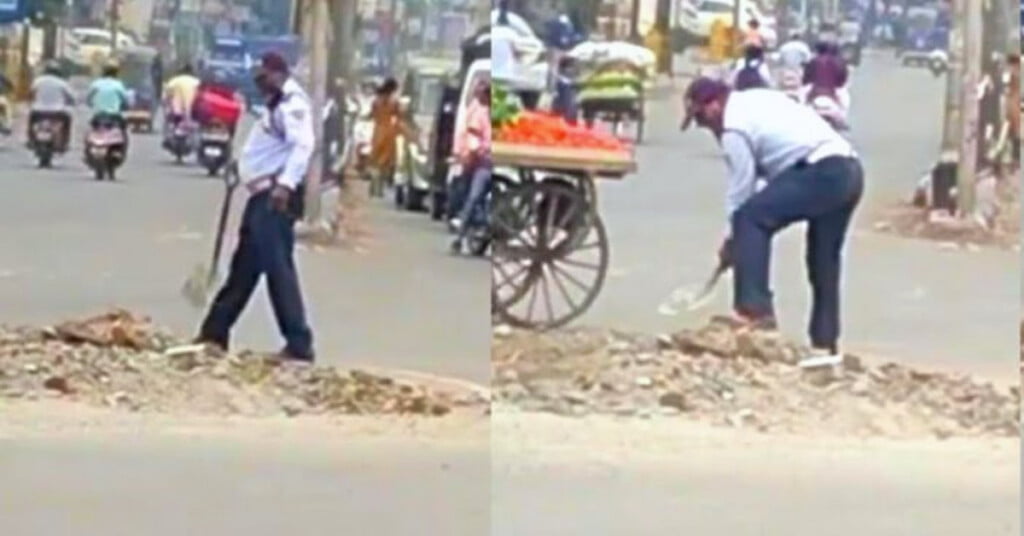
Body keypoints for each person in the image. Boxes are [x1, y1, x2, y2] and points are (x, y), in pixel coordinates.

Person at [680, 77, 863, 368]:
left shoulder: (733, 126)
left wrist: (733, 239)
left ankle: (754, 311)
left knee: (750, 219)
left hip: (822, 170)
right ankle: (825, 346)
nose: (705, 126)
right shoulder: (755, 100)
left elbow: (742, 189)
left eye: (701, 117)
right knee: (823, 261)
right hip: (848, 171)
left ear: (714, 105)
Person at [195, 52, 316, 362]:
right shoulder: (274, 106)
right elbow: (267, 148)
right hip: (260, 194)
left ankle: (299, 343)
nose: (259, 83)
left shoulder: (293, 105)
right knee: (243, 270)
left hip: (275, 198)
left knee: (279, 271)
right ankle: (214, 333)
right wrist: (242, 166)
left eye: (263, 77)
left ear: (278, 74)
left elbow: (303, 146)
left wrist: (285, 185)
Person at [450, 79, 491, 254]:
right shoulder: (480, 114)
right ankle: (459, 237)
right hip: (483, 163)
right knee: (473, 197)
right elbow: (472, 139)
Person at [28, 61, 75, 151]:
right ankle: (65, 141)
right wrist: (71, 102)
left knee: (31, 121)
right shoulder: (62, 83)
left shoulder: (38, 81)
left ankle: (30, 139)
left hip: (38, 111)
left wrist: (31, 101)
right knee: (67, 121)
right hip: (57, 112)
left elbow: (30, 94)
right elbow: (71, 97)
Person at [368, 77, 401, 197]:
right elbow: (399, 115)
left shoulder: (376, 101)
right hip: (389, 132)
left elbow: (371, 115)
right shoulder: (394, 102)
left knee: (375, 161)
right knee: (384, 163)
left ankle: (373, 187)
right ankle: (379, 189)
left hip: (377, 131)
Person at [86, 63, 131, 135]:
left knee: (91, 128)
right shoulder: (118, 84)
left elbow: (88, 98)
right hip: (114, 115)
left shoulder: (96, 83)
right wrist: (126, 106)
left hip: (98, 114)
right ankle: (124, 144)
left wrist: (91, 104)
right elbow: (125, 99)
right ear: (116, 73)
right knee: (124, 128)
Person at [551, 56, 579, 124]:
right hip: (563, 108)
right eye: (570, 67)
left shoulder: (572, 81)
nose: (571, 70)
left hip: (569, 109)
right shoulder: (560, 80)